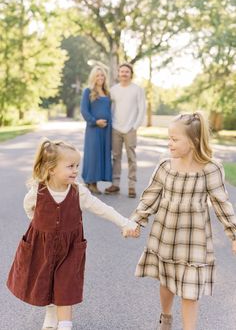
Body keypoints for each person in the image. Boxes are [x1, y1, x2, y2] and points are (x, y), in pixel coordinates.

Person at [7, 138, 139, 330]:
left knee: (65, 286)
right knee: (46, 282)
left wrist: (125, 222)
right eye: (70, 166)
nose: (76, 170)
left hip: (70, 248)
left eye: (77, 165)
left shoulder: (79, 192)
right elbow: (29, 209)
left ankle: (65, 325)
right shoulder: (38, 192)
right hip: (42, 245)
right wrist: (40, 226)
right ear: (51, 169)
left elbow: (102, 208)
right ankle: (51, 314)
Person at [124, 112, 236, 330]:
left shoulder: (211, 169)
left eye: (175, 139)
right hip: (166, 234)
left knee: (190, 290)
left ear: (193, 142)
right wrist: (136, 221)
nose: (169, 143)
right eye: (169, 138)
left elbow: (223, 204)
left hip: (194, 239)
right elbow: (151, 196)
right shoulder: (166, 166)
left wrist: (234, 234)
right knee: (167, 281)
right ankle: (166, 317)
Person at [105, 63, 146, 198]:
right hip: (115, 128)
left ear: (131, 74)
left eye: (126, 72)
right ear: (118, 74)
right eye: (122, 71)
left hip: (130, 128)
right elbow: (110, 108)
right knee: (116, 157)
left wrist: (135, 126)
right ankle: (115, 184)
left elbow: (142, 109)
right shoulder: (113, 90)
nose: (124, 74)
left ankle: (131, 185)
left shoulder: (137, 89)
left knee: (131, 157)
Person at [80, 65, 112, 195]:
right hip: (93, 129)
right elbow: (84, 110)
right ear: (93, 77)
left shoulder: (107, 93)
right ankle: (90, 182)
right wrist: (95, 121)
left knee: (102, 155)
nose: (100, 78)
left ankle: (95, 182)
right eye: (97, 75)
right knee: (93, 154)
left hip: (106, 130)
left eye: (102, 75)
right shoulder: (88, 91)